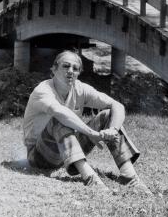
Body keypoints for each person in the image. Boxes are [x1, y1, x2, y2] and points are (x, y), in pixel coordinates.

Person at [23, 50, 149, 192]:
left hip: (66, 151)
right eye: (66, 66)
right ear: (54, 69)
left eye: (75, 68)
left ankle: (129, 176)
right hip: (39, 156)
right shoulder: (43, 90)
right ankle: (90, 178)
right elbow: (60, 113)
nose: (70, 71)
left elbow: (117, 105)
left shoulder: (80, 88)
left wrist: (112, 129)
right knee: (59, 119)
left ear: (78, 73)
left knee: (107, 114)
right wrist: (90, 133)